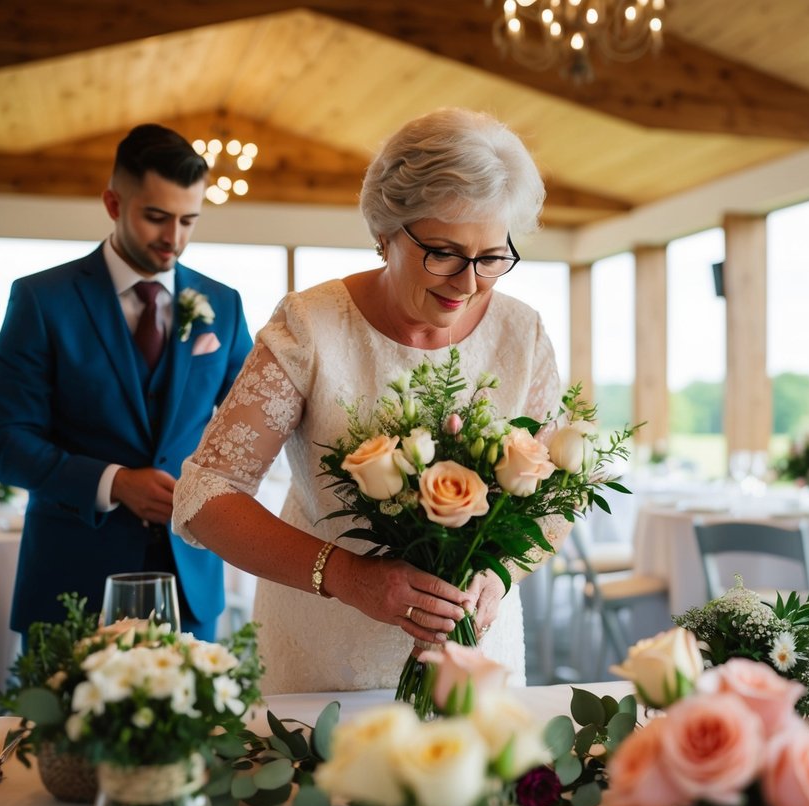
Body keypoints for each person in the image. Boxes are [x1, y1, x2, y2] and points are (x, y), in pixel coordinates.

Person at [173, 108, 562, 694]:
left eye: (490, 258)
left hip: (476, 652)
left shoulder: (522, 334)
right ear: (385, 232)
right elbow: (205, 495)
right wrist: (348, 576)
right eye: (445, 253)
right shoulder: (310, 327)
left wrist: (503, 572)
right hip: (326, 647)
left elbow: (557, 492)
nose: (467, 283)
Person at [0, 124, 252, 642]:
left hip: (190, 585)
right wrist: (112, 482)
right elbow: (4, 444)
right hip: (71, 582)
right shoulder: (42, 301)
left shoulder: (223, 304)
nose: (174, 238)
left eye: (188, 220)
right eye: (156, 217)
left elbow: (254, 420)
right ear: (112, 202)